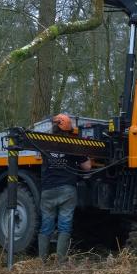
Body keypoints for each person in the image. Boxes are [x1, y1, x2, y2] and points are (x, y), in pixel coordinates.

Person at [38, 113, 92, 263]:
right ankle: (60, 262)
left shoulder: (44, 144)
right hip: (67, 190)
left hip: (48, 190)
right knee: (64, 225)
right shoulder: (72, 145)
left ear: (53, 127)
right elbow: (87, 167)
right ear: (69, 129)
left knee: (46, 226)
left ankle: (42, 262)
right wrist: (88, 153)